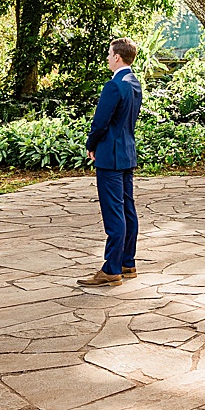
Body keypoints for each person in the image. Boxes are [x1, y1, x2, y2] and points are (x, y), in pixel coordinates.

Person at [78, 37, 143, 287]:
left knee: (114, 212)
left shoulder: (114, 86)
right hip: (127, 153)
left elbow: (100, 122)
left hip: (110, 156)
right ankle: (128, 263)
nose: (107, 58)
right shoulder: (134, 83)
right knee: (128, 209)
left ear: (117, 57)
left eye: (108, 54)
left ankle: (111, 269)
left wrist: (91, 145)